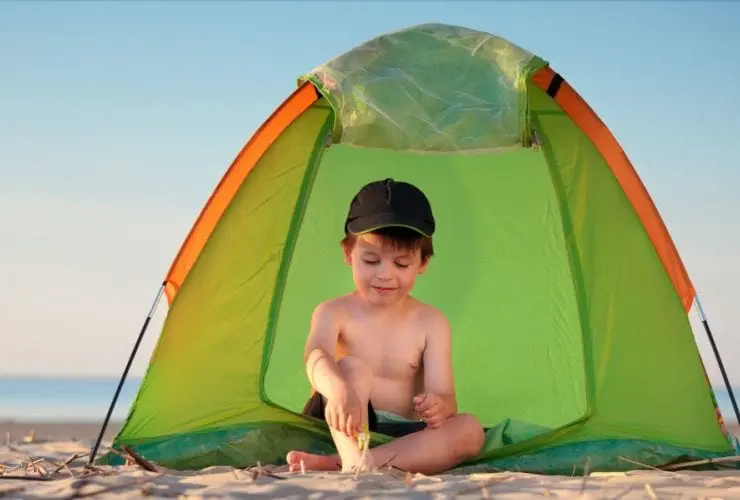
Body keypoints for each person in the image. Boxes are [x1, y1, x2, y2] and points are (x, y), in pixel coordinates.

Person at [286, 178, 485, 475]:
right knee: (353, 367)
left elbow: (444, 393)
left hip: (401, 437)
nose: (384, 275)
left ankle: (348, 464)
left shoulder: (431, 321)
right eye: (371, 260)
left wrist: (439, 406)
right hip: (339, 423)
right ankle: (351, 455)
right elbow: (315, 357)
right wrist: (338, 389)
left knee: (471, 430)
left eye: (401, 264)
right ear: (348, 254)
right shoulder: (334, 311)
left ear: (423, 263)